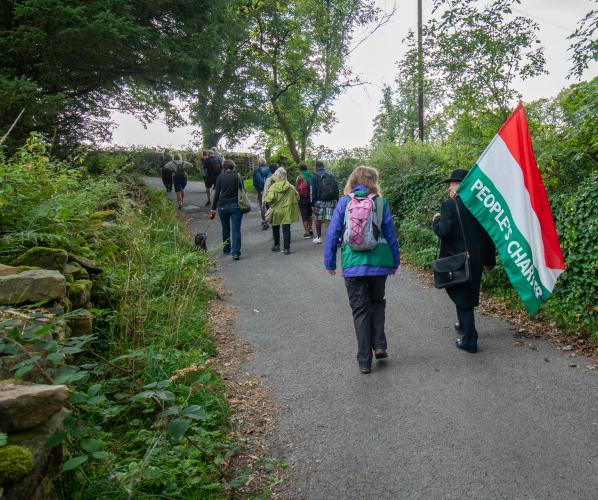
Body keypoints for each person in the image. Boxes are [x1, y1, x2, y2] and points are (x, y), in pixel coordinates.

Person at [324, 166, 400, 374]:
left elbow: (333, 233)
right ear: (374, 181)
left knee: (360, 311)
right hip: (379, 264)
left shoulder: (344, 202)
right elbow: (390, 234)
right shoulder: (380, 203)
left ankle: (364, 361)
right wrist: (394, 260)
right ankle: (381, 345)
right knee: (377, 303)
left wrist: (330, 262)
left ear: (352, 180)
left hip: (352, 265)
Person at [432, 169, 496, 353]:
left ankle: (469, 340)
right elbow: (488, 235)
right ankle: (463, 324)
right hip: (476, 257)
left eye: (452, 183)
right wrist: (489, 261)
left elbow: (444, 232)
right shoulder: (481, 206)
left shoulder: (450, 205)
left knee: (462, 298)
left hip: (458, 259)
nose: (449, 187)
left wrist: (436, 220)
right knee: (467, 293)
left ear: (460, 185)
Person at [209, 160, 245, 260]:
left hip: (222, 206)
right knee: (236, 229)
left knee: (225, 228)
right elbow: (243, 191)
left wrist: (213, 208)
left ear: (224, 167)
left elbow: (216, 194)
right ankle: (236, 253)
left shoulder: (220, 177)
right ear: (233, 166)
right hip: (236, 205)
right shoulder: (238, 176)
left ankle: (226, 248)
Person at [265, 167, 300, 255]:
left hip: (276, 210)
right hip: (287, 210)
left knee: (275, 227)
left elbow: (270, 199)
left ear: (279, 177)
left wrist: (267, 198)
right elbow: (297, 197)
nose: (275, 177)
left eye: (276, 175)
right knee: (286, 229)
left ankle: (276, 245)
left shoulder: (273, 187)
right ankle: (286, 249)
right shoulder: (290, 186)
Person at [311, 160, 339, 244]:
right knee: (332, 219)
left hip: (319, 201)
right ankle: (334, 238)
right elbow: (336, 188)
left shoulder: (314, 176)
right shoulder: (331, 174)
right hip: (332, 200)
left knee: (318, 218)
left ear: (316, 167)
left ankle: (319, 237)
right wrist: (337, 200)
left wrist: (312, 203)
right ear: (323, 166)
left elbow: (313, 191)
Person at [252, 157, 272, 230]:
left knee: (262, 205)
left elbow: (255, 182)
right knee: (269, 205)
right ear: (265, 162)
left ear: (259, 163)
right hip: (269, 190)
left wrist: (259, 190)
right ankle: (271, 218)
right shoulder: (269, 170)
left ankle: (264, 221)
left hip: (261, 191)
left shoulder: (256, 171)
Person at [296, 164, 314, 239]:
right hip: (311, 198)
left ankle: (307, 233)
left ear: (300, 170)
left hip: (302, 198)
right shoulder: (311, 176)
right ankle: (310, 229)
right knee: (310, 214)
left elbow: (296, 188)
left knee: (304, 215)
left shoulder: (299, 177)